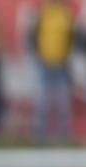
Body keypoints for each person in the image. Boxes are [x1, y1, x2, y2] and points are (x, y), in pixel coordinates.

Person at [32, 0, 76, 142]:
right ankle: (41, 137)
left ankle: (65, 136)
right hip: (45, 64)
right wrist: (39, 56)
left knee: (63, 103)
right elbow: (34, 37)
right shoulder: (43, 14)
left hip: (62, 64)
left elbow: (71, 38)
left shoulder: (66, 15)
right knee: (42, 102)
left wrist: (66, 58)